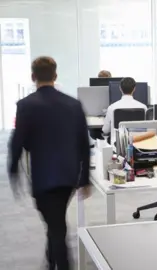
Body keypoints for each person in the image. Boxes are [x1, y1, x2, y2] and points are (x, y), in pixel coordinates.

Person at [8, 56, 91, 270]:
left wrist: (13, 171)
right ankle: (50, 261)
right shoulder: (74, 104)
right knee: (55, 223)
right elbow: (84, 142)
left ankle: (61, 265)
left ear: (33, 76)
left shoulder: (25, 105)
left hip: (44, 177)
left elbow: (18, 142)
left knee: (57, 227)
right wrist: (84, 178)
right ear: (55, 76)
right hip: (69, 175)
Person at [102, 77, 147, 145]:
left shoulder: (112, 107)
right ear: (134, 89)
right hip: (138, 144)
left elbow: (105, 130)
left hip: (117, 146)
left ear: (120, 88)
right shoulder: (143, 107)